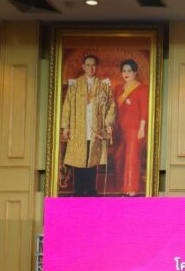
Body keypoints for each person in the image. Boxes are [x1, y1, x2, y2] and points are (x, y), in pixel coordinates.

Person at [59, 53, 115, 196]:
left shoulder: (103, 85)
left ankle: (91, 190)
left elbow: (111, 106)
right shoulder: (75, 85)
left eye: (93, 65)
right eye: (88, 65)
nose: (91, 68)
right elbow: (67, 106)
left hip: (95, 129)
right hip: (78, 128)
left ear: (97, 67)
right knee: (79, 159)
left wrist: (108, 124)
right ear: (83, 67)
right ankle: (78, 190)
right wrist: (65, 126)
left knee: (92, 160)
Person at [112, 58, 148, 196]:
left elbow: (144, 109)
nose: (126, 73)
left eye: (129, 71)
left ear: (135, 72)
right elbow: (114, 110)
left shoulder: (142, 88)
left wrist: (142, 128)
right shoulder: (118, 89)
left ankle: (131, 189)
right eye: (124, 71)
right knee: (119, 157)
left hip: (135, 129)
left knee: (132, 158)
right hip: (120, 129)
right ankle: (122, 187)